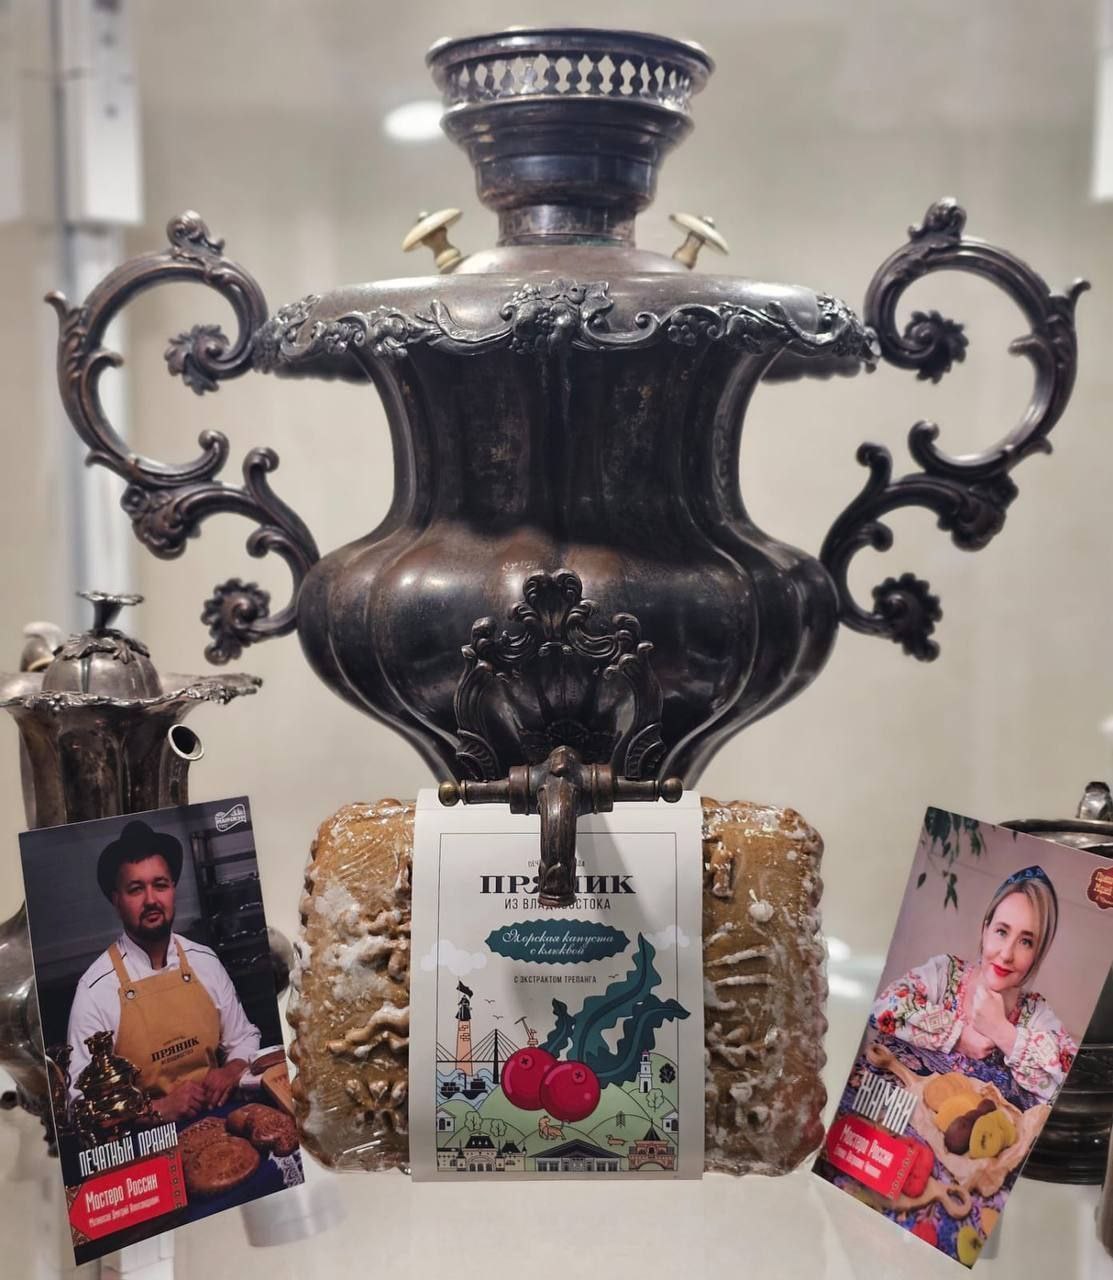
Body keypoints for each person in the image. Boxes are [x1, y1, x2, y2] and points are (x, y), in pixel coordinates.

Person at [66, 819, 261, 1123]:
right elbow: (79, 1103)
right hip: (150, 1137)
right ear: (116, 901)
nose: (151, 900)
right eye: (135, 889)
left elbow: (244, 1037)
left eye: (160, 885)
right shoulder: (94, 990)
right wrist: (157, 1109)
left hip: (221, 1118)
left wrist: (232, 1069)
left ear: (173, 890)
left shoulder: (204, 961)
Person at [871, 865, 1076, 1103]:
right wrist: (957, 1037)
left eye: (1026, 942)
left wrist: (1003, 1033)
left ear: (1038, 953)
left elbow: (1074, 1088)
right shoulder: (944, 973)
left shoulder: (1037, 1016)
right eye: (1002, 931)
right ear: (985, 930)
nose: (1006, 954)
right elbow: (883, 1007)